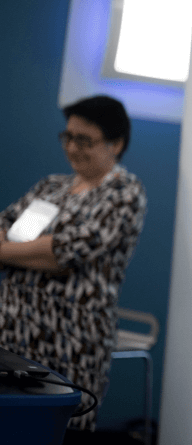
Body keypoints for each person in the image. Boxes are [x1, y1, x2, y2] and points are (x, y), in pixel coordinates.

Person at [0, 95, 146, 434]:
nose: (73, 147)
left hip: (69, 343)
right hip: (13, 336)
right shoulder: (52, 187)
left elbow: (66, 251)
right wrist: (26, 250)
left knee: (59, 430)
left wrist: (7, 252)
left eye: (85, 140)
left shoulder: (124, 191)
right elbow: (6, 224)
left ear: (117, 143)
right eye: (68, 137)